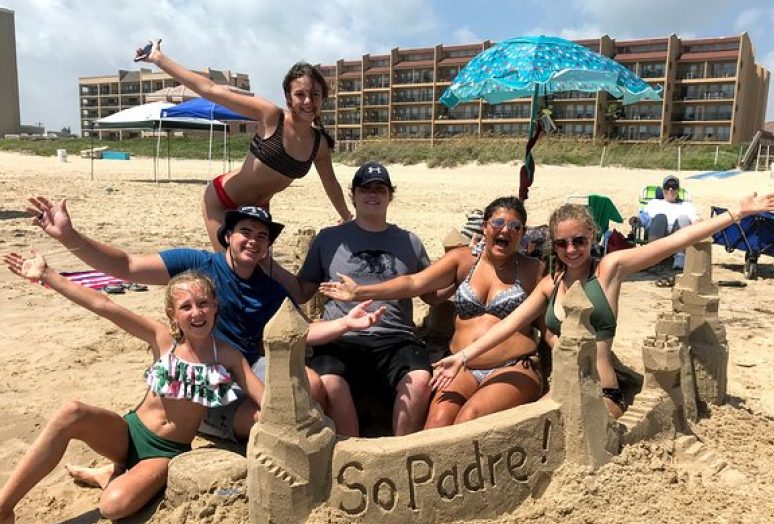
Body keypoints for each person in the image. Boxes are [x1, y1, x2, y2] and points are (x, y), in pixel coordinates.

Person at [26, 197, 383, 444]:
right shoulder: (196, 264)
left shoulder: (269, 288)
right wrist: (70, 236)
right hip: (204, 371)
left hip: (247, 366)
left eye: (262, 237)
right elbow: (127, 266)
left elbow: (300, 332)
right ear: (228, 235)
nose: (254, 241)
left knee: (314, 385)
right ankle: (215, 425)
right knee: (274, 413)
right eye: (246, 232)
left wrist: (346, 324)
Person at [431, 191, 774, 419]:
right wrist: (461, 357)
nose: (571, 250)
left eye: (579, 241)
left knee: (543, 427)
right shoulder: (550, 284)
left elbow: (675, 241)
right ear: (552, 246)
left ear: (592, 238)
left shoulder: (610, 270)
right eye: (561, 244)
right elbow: (508, 325)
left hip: (600, 391)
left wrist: (737, 214)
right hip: (560, 387)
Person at [0, 256, 263, 524]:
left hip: (166, 453)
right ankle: (4, 508)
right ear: (173, 314)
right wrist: (47, 274)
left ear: (215, 306)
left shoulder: (227, 356)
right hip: (129, 433)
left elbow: (263, 397)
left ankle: (108, 475)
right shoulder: (162, 340)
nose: (196, 313)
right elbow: (104, 305)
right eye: (186, 306)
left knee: (112, 507)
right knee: (72, 411)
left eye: (203, 304)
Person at [320, 196, 546, 429]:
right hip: (460, 366)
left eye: (515, 226)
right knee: (436, 424)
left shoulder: (533, 270)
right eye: (498, 223)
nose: (505, 231)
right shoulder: (464, 261)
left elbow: (546, 326)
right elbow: (414, 283)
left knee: (469, 417)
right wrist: (360, 292)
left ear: (522, 233)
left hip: (513, 367)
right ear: (485, 227)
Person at [134, 39, 353, 255]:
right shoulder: (271, 117)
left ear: (323, 97)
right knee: (231, 270)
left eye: (315, 94)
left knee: (260, 276)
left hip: (258, 212)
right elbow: (210, 90)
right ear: (288, 97)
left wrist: (346, 217)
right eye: (300, 94)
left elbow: (331, 183)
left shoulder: (320, 144)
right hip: (222, 201)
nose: (308, 102)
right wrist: (159, 59)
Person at [285, 162, 440, 437]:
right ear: (353, 195)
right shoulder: (329, 238)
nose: (373, 194)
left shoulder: (410, 241)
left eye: (380, 189)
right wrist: (267, 266)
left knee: (419, 381)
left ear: (390, 196)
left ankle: (400, 452)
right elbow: (302, 290)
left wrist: (463, 270)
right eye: (365, 189)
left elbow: (430, 294)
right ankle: (352, 452)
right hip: (342, 336)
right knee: (331, 382)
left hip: (396, 336)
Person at [633, 175, 698, 268]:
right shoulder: (654, 203)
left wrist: (701, 222)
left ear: (678, 189)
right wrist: (637, 220)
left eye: (674, 186)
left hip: (677, 235)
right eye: (667, 187)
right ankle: (652, 256)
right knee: (660, 217)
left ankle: (680, 257)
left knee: (684, 218)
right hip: (656, 233)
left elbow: (695, 220)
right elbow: (645, 217)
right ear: (663, 189)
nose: (670, 190)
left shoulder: (686, 205)